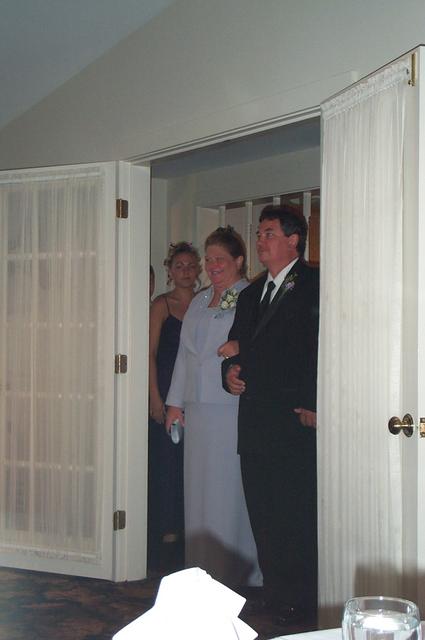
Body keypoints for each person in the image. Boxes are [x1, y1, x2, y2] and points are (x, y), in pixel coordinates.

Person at [221, 205, 319, 624]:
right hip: (255, 423)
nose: (260, 241)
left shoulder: (315, 285)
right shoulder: (250, 294)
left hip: (293, 420)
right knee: (262, 513)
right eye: (259, 234)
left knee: (295, 513)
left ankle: (305, 600)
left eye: (269, 233)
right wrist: (229, 374)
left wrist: (315, 401)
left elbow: (321, 348)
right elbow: (235, 347)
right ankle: (276, 595)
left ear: (294, 240)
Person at [165, 226, 262, 588]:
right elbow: (185, 355)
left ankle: (238, 569)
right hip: (198, 407)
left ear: (239, 260)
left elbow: (257, 346)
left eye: (221, 259)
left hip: (229, 406)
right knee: (199, 488)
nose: (213, 265)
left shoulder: (250, 297)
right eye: (209, 259)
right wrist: (175, 403)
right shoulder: (199, 300)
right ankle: (201, 565)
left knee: (228, 489)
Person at [148, 241, 201, 572]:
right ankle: (167, 537)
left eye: (190, 265)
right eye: (178, 266)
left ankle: (190, 533)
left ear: (198, 270)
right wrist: (156, 398)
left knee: (192, 465)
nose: (185, 271)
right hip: (167, 392)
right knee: (167, 464)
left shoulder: (206, 302)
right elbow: (149, 353)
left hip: (196, 396)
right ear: (169, 271)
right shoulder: (161, 305)